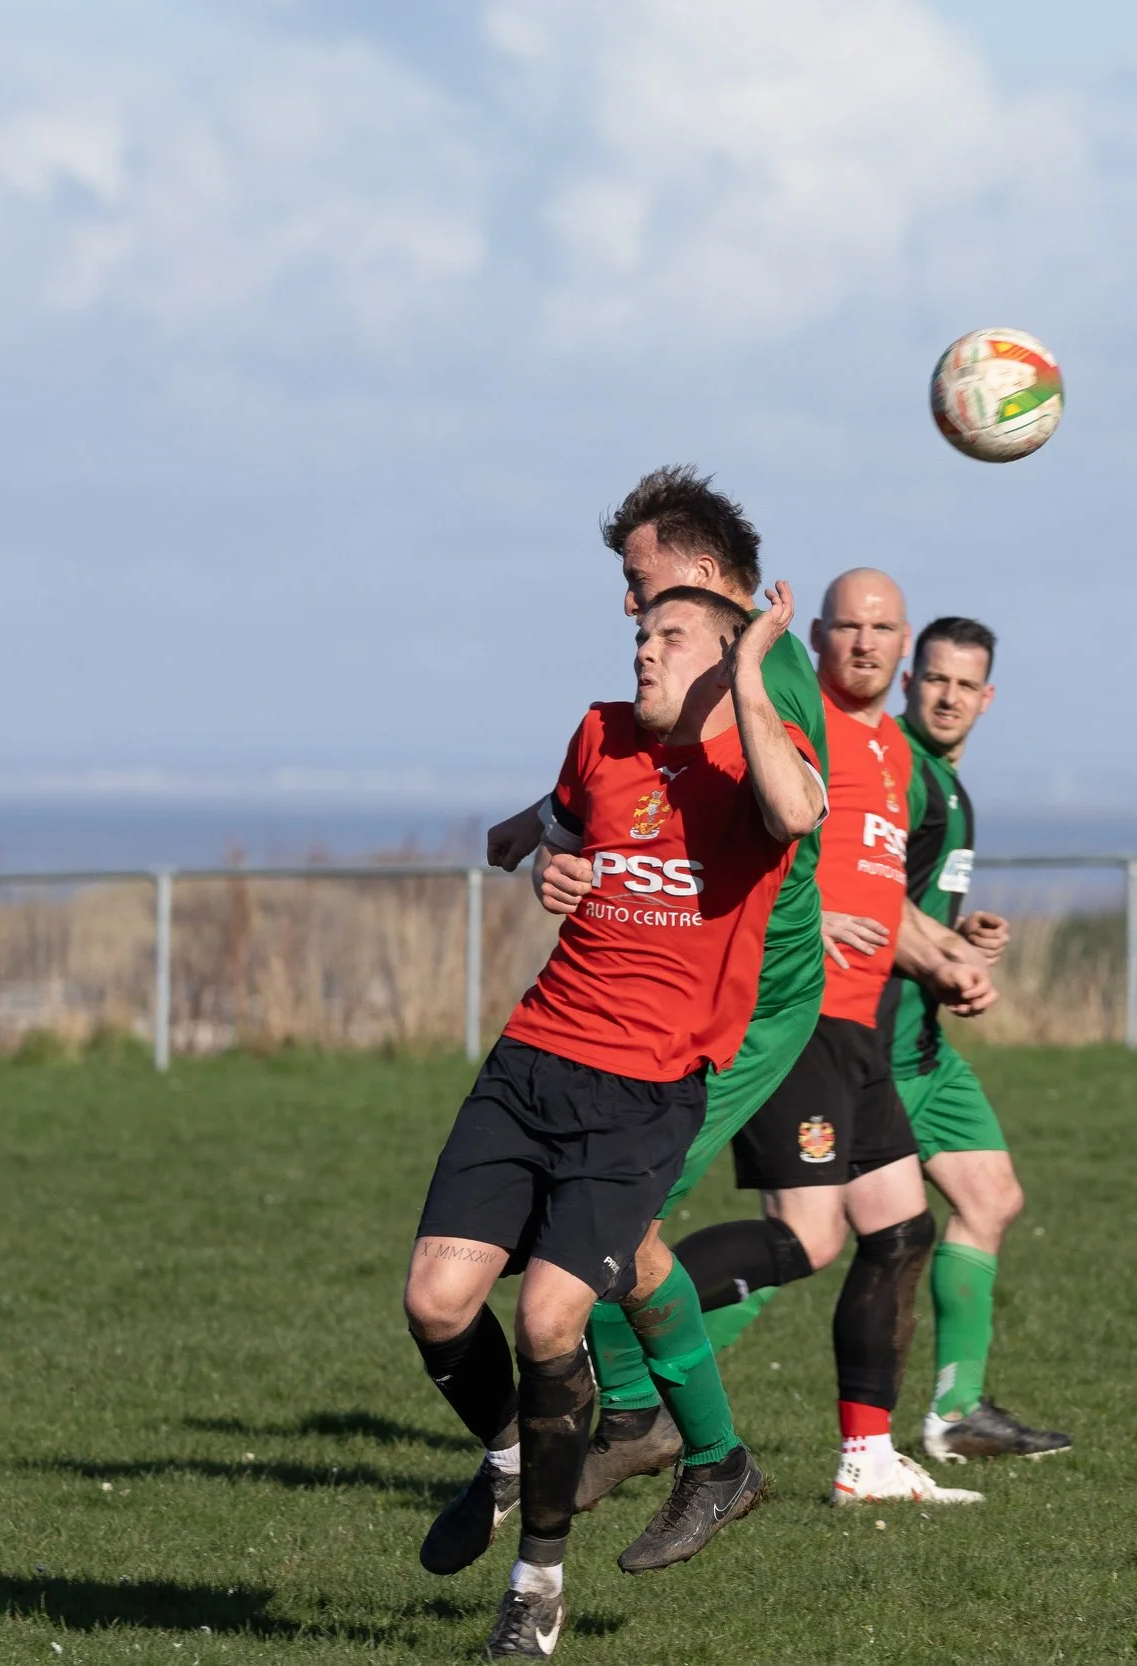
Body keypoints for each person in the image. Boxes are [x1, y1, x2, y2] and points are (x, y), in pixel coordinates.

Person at [405, 585, 825, 1660]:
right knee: (438, 1302)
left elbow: (796, 815)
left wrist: (750, 672)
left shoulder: (757, 761)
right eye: (638, 634)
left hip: (644, 1090)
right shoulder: (597, 732)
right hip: (533, 1060)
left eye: (667, 637)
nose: (643, 651)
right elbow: (560, 828)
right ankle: (513, 1451)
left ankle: (536, 1585)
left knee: (550, 1320)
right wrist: (546, 861)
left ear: (724, 655)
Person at [487, 466, 834, 1510]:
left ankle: (653, 1427)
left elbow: (785, 812)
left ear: (702, 577)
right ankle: (639, 1417)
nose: (629, 607)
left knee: (609, 1216)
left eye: (639, 582)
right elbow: (653, 792)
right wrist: (550, 829)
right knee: (601, 1219)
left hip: (741, 1003)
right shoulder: (720, 679)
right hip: (686, 995)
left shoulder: (757, 677)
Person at [669, 568, 991, 1507]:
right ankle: (620, 1331)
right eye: (847, 625)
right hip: (799, 1014)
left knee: (901, 1230)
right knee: (807, 1239)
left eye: (882, 627)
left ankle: (867, 1460)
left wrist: (948, 961)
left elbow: (878, 898)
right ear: (816, 634)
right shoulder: (800, 722)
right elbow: (757, 849)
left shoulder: (898, 752)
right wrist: (808, 928)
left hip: (861, 1028)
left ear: (904, 641)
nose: (865, 642)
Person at [880, 617, 1071, 1463]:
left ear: (987, 698)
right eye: (935, 679)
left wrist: (963, 941)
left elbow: (917, 906)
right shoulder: (895, 774)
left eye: (966, 685)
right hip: (873, 1050)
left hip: (926, 1046)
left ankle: (957, 1412)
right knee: (803, 1239)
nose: (949, 696)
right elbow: (863, 895)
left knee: (991, 1198)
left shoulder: (948, 788)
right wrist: (946, 957)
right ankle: (631, 1382)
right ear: (907, 682)